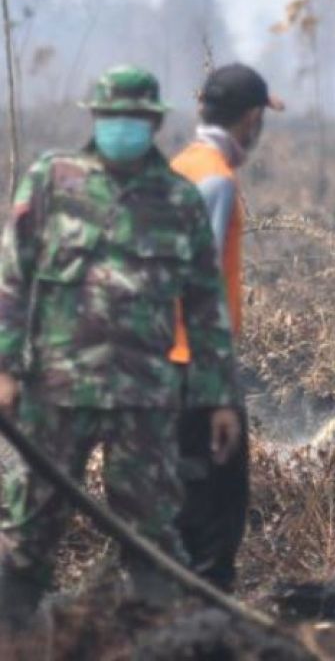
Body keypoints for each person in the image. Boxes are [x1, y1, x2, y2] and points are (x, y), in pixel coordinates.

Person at [0, 65, 239, 623]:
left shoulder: (177, 201)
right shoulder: (52, 182)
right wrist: (5, 369)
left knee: (152, 537)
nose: (122, 128)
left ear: (152, 124)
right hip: (55, 392)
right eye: (113, 117)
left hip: (144, 400)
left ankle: (156, 642)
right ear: (96, 119)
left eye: (134, 119)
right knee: (25, 535)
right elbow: (12, 281)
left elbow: (206, 307)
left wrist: (218, 397)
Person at [169, 62, 282, 590]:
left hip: (162, 362)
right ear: (252, 117)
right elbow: (202, 285)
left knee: (182, 499)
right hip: (198, 368)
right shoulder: (215, 180)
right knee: (219, 511)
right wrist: (218, 392)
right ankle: (204, 623)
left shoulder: (181, 165)